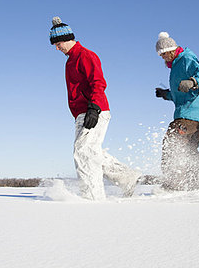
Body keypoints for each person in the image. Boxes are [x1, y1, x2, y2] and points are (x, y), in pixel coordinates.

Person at [50, 16, 141, 200]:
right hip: (82, 113)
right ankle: (126, 176)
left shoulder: (86, 55)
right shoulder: (70, 61)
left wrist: (94, 107)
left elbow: (98, 82)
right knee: (91, 150)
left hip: (94, 110)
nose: (56, 48)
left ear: (67, 39)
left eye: (58, 43)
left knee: (83, 151)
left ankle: (93, 198)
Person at [154, 32, 199, 190]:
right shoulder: (175, 67)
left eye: (165, 53)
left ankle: (174, 182)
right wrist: (166, 94)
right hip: (192, 113)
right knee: (189, 149)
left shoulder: (186, 59)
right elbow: (180, 93)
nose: (164, 57)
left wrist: (193, 82)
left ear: (172, 49)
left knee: (171, 141)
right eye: (161, 55)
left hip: (191, 113)